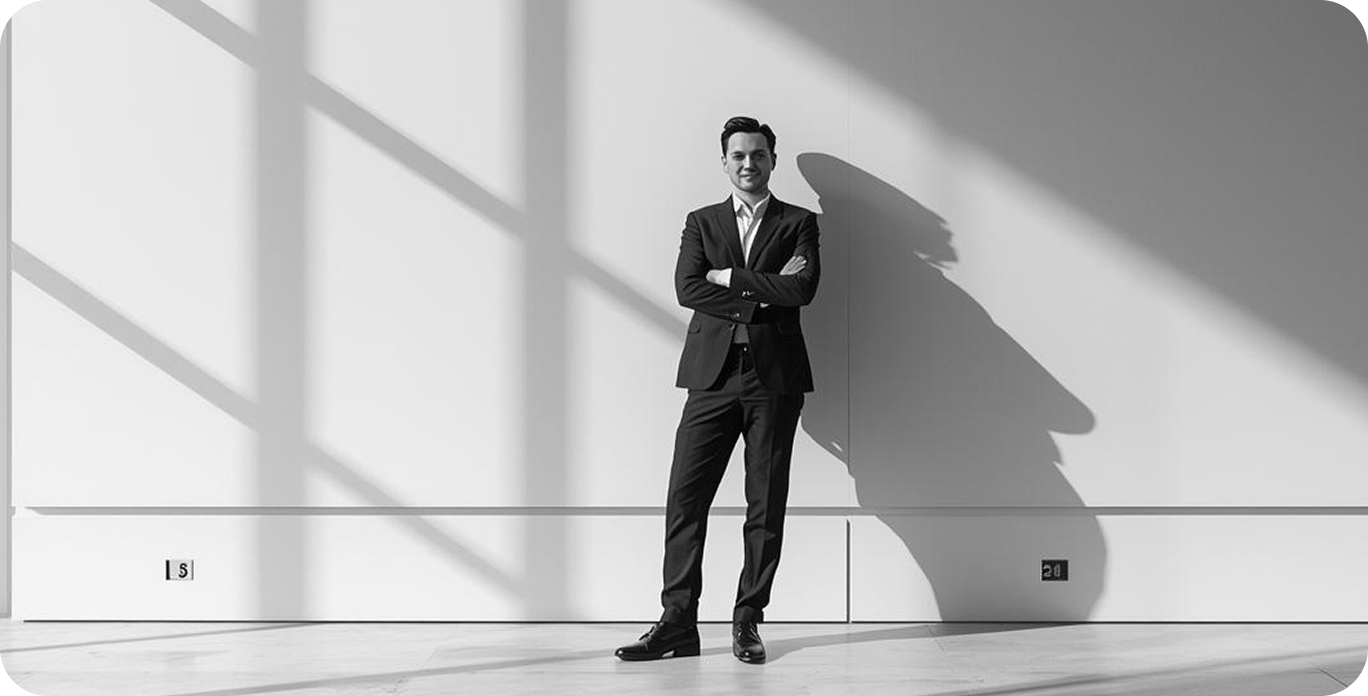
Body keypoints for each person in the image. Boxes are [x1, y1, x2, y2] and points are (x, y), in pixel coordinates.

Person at [616, 116, 821, 664]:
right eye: (738, 156)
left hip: (773, 380)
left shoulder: (800, 222)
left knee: (764, 503)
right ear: (724, 161)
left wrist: (726, 278)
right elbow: (686, 287)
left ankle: (747, 621)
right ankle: (677, 622)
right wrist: (761, 293)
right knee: (686, 498)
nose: (748, 164)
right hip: (710, 379)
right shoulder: (701, 222)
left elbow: (802, 289)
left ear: (772, 160)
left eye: (758, 155)